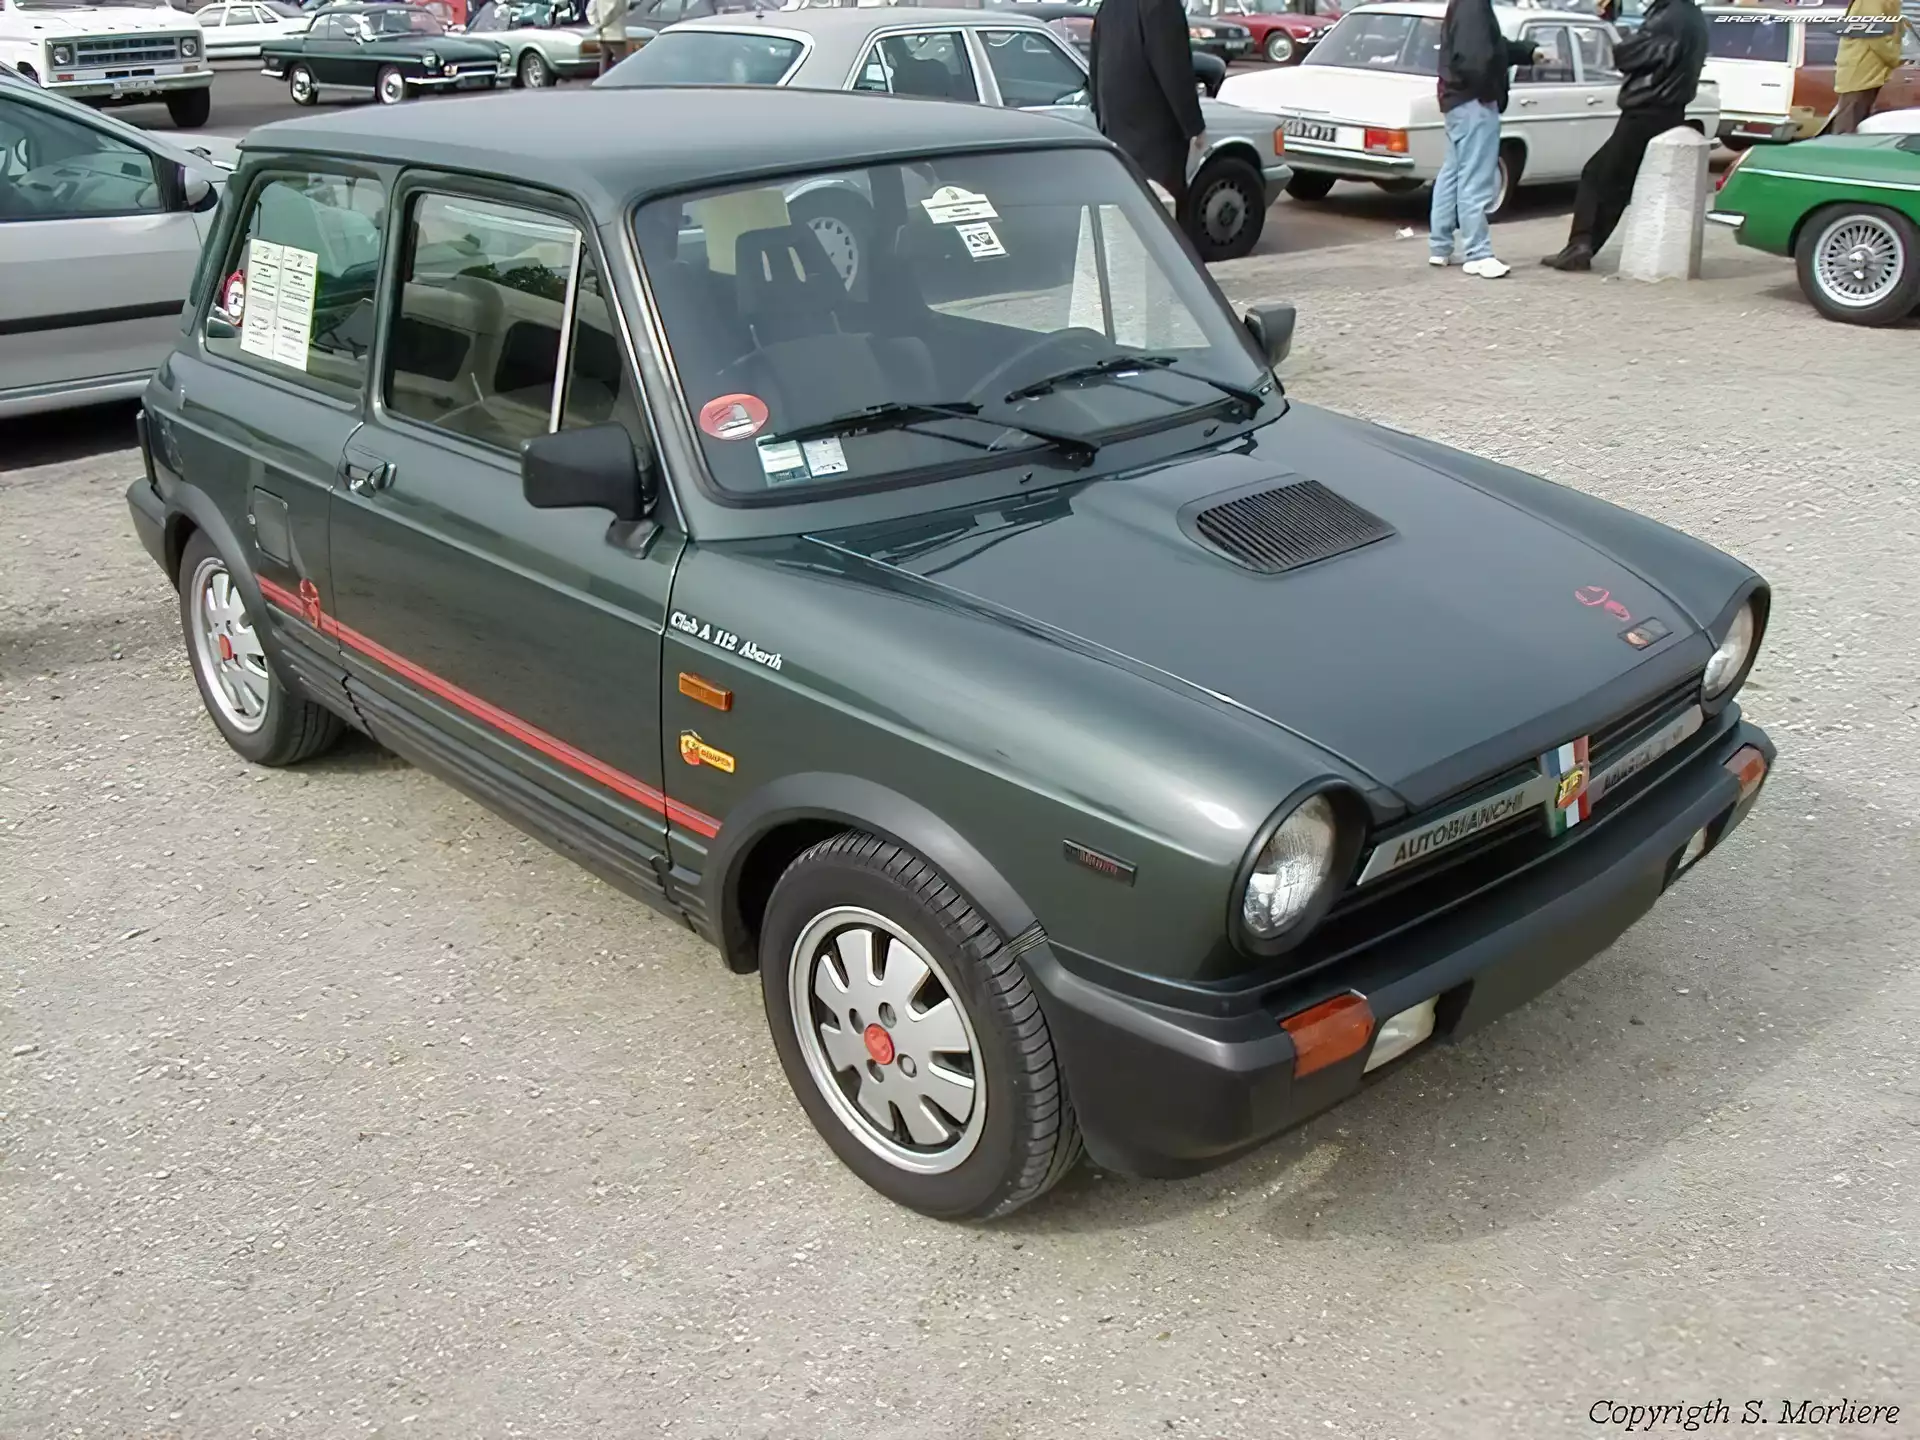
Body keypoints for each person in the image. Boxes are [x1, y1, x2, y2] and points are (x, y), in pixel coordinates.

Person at [1541, 0, 1708, 271]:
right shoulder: (1690, 15)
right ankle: (1582, 247)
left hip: (1647, 109)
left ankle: (1580, 247)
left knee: (1599, 176)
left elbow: (1627, 56)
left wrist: (1617, 31)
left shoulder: (1668, 16)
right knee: (1616, 182)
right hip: (1668, 108)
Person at [1430, 0, 1541, 278]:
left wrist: (1527, 51)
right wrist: (1489, 92)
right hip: (1474, 101)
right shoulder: (1475, 6)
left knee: (1453, 172)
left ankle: (1440, 245)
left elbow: (1489, 47)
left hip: (1458, 100)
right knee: (1475, 178)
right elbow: (1478, 57)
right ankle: (1477, 254)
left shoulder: (1466, 5)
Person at [1088, 0, 1207, 213]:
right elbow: (1174, 70)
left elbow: (1096, 67)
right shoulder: (1161, 5)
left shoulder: (1109, 6)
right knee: (1161, 215)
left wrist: (1101, 117)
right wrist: (1194, 126)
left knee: (1129, 214)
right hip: (1155, 139)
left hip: (1117, 130)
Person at [1830, 0, 1906, 135]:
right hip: (1861, 69)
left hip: (1868, 69)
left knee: (1857, 123)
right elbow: (1874, 33)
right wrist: (1894, 57)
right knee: (1849, 125)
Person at [591, 0, 631, 75]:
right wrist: (602, 24)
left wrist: (596, 24)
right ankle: (620, 80)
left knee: (604, 61)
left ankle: (602, 81)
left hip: (603, 34)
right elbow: (614, 11)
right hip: (616, 34)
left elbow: (590, 10)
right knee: (621, 63)